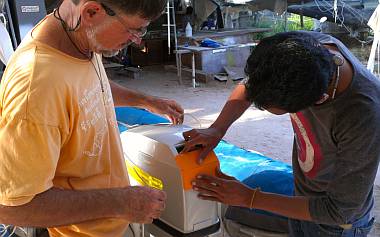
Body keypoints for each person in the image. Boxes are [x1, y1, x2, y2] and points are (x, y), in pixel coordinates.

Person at [0, 0, 184, 237]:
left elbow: (87, 87)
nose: (137, 40)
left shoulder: (78, 39)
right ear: (91, 11)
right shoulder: (36, 86)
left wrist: (146, 101)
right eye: (133, 30)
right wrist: (121, 203)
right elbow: (13, 208)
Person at [182, 31, 380, 237]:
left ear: (318, 100)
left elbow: (339, 211)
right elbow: (253, 85)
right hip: (302, 197)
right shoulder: (302, 47)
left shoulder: (363, 114)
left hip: (336, 225)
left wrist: (250, 198)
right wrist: (217, 128)